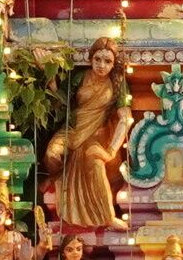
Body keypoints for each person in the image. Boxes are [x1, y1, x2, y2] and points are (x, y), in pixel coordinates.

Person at [42, 34, 132, 231]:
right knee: (52, 154)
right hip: (72, 128)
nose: (101, 65)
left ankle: (108, 216)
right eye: (97, 59)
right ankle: (58, 177)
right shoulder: (79, 77)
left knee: (94, 160)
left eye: (107, 61)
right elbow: (61, 99)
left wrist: (111, 150)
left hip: (96, 134)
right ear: (90, 58)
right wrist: (46, 68)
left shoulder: (118, 84)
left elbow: (126, 118)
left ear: (114, 63)